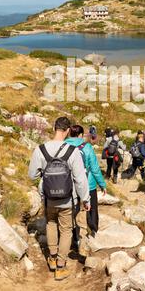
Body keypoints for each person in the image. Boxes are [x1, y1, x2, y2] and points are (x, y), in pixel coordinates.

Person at [28, 116, 91, 281]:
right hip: (67, 199)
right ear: (68, 130)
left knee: (50, 223)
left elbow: (31, 174)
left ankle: (52, 259)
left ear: (55, 129)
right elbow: (80, 179)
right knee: (66, 230)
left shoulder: (40, 149)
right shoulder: (73, 151)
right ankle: (61, 267)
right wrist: (85, 199)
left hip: (48, 198)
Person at [66, 124, 107, 238]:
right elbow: (95, 169)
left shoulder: (64, 145)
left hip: (70, 182)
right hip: (88, 183)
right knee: (92, 207)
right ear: (80, 135)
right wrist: (102, 184)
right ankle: (92, 231)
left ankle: (73, 234)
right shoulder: (87, 147)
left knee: (73, 209)